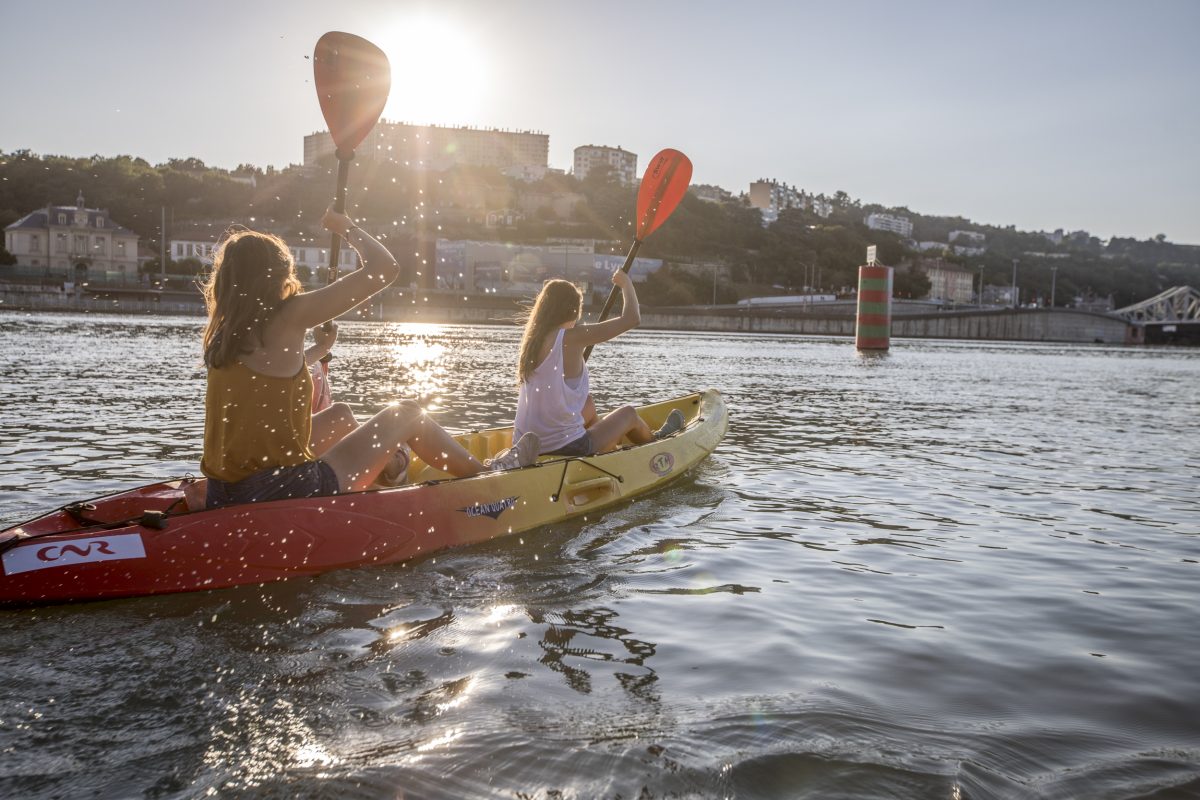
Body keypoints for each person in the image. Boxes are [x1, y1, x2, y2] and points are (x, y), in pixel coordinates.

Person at [199, 210, 538, 510]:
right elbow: (384, 269)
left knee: (341, 416)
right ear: (278, 275)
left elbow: (263, 383)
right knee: (408, 414)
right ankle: (489, 476)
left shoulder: (224, 334)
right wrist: (346, 227)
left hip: (224, 491)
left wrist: (317, 351)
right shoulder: (291, 314)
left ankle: (391, 471)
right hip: (283, 491)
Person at [513, 272, 683, 457]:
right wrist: (626, 284)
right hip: (565, 447)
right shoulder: (572, 337)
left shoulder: (532, 340)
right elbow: (632, 318)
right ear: (573, 310)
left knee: (588, 403)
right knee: (629, 414)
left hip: (525, 447)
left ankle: (604, 453)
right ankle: (656, 445)